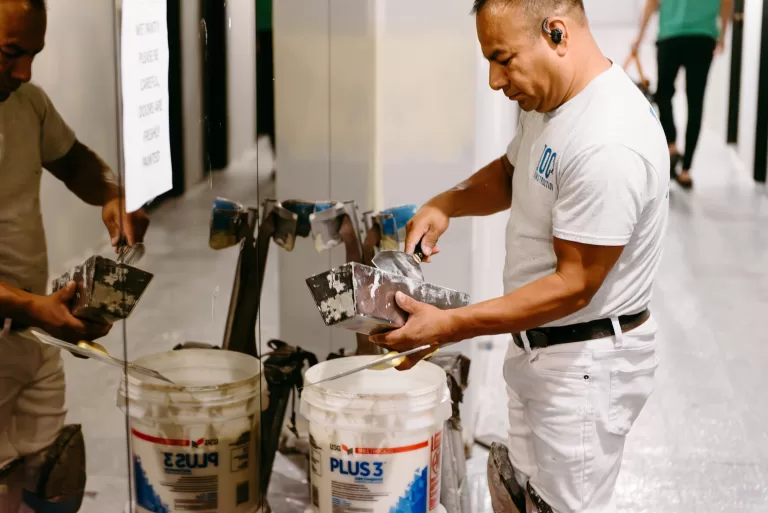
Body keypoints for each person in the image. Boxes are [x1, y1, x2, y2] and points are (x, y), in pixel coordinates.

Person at [370, 0, 669, 511]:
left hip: (583, 369)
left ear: (557, 33)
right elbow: (514, 171)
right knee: (528, 497)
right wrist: (448, 203)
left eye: (503, 59)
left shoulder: (608, 142)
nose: (494, 80)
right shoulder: (556, 103)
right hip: (545, 347)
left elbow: (573, 286)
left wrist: (450, 325)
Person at [0, 0, 149, 510]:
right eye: (10, 53)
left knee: (43, 480)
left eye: (34, 54)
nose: (25, 71)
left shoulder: (27, 103)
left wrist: (112, 194)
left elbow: (73, 160)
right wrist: (30, 307)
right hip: (27, 317)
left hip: (30, 339)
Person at [632, 0, 733, 189]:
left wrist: (639, 36)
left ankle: (671, 144)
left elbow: (652, 3)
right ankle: (686, 169)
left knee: (663, 94)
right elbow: (727, 2)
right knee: (695, 102)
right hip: (703, 36)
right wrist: (722, 34)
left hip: (670, 36)